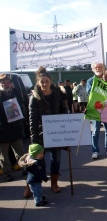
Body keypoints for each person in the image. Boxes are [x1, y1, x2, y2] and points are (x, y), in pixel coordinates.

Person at [23, 66, 68, 198]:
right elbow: (32, 120)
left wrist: (66, 134)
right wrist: (34, 140)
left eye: (46, 81)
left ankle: (54, 183)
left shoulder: (58, 94)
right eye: (42, 82)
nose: (44, 84)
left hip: (56, 133)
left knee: (56, 159)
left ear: (50, 81)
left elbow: (64, 113)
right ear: (38, 82)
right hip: (40, 133)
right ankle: (30, 185)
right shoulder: (34, 98)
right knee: (36, 162)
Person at [86, 63, 107, 159]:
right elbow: (90, 93)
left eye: (100, 67)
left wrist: (106, 82)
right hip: (96, 109)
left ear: (104, 68)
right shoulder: (90, 81)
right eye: (96, 67)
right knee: (95, 131)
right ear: (93, 69)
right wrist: (101, 85)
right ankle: (95, 151)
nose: (98, 68)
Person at [0, 74, 25, 182]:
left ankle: (25, 169)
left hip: (15, 129)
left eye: (7, 82)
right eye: (3, 82)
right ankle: (7, 173)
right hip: (2, 130)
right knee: (4, 156)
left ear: (11, 84)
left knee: (20, 153)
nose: (5, 84)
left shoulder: (14, 95)